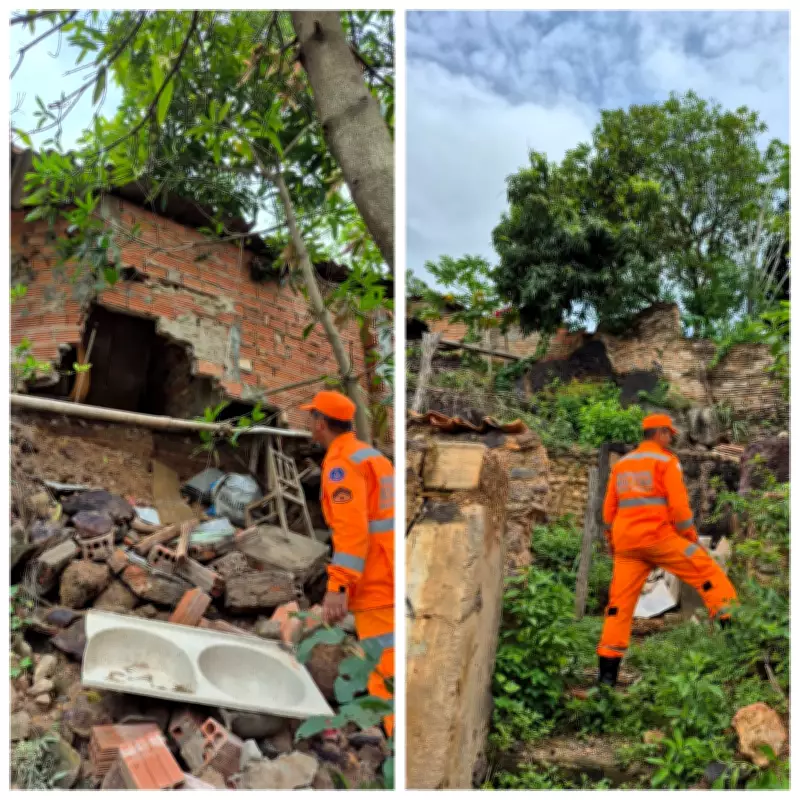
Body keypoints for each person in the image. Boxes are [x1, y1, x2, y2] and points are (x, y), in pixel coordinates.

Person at [596, 413, 737, 687]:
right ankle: (733, 631)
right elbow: (680, 509)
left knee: (619, 607)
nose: (672, 438)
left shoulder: (622, 465)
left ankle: (606, 677)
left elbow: (608, 512)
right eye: (669, 434)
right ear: (660, 433)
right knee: (706, 570)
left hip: (627, 545)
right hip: (660, 540)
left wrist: (614, 544)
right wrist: (690, 538)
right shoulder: (666, 461)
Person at [300, 390, 395, 735]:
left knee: (386, 672)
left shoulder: (342, 465)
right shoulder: (373, 457)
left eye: (312, 417)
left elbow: (352, 533)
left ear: (321, 423)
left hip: (376, 584)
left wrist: (338, 587)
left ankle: (397, 750)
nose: (310, 424)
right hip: (391, 569)